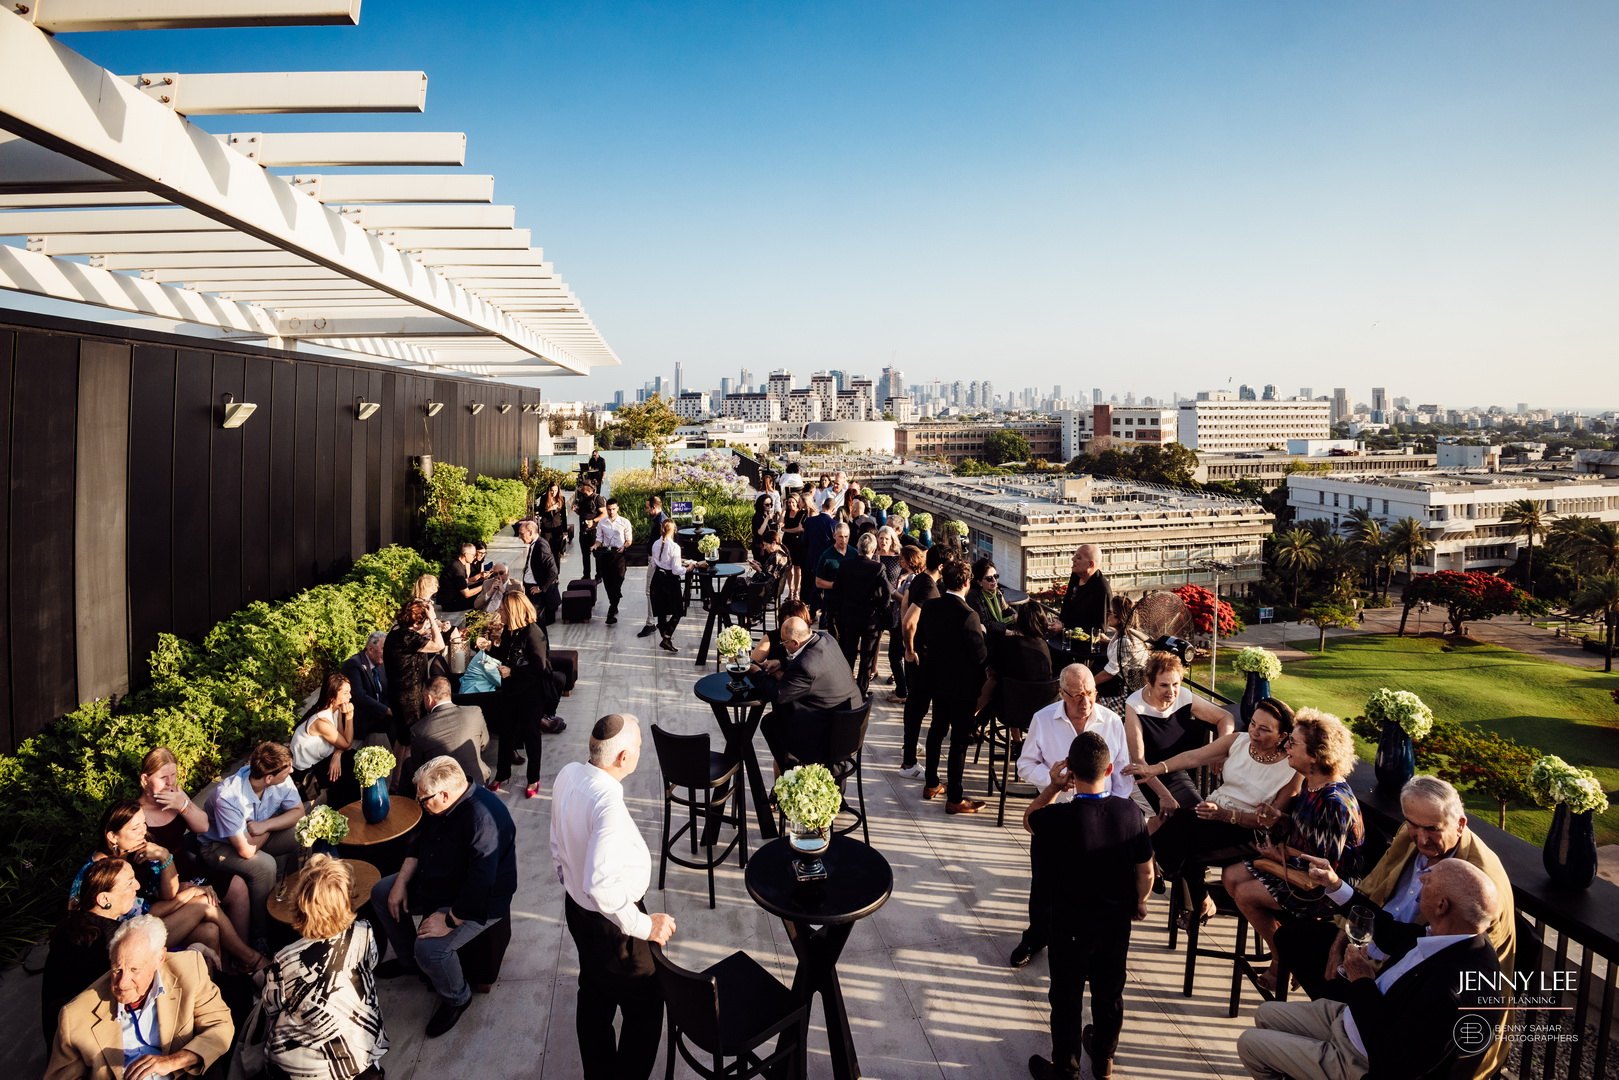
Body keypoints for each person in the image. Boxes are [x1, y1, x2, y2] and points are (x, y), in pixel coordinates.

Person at [1276, 775, 1516, 1080]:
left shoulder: (1479, 882)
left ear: (1460, 824)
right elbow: (1372, 890)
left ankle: (1352, 1048)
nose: (1421, 837)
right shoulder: (1410, 834)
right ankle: (1341, 1034)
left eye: (1432, 829)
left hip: (1415, 975)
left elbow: (1450, 966)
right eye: (1413, 824)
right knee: (1294, 938)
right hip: (1379, 942)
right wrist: (1339, 940)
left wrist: (1366, 982)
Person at [1236, 860, 1504, 1080]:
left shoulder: (1450, 988)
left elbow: (1393, 1061)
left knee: (1249, 1044)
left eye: (1429, 880)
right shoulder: (1453, 936)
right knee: (1266, 1013)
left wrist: (1362, 981)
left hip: (1360, 1059)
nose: (1421, 880)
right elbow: (1385, 928)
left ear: (1441, 906)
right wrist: (1335, 885)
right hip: (1350, 1019)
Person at [550, 715, 677, 1080]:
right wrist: (644, 926)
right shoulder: (608, 805)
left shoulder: (569, 773)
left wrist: (572, 884)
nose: (640, 751)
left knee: (594, 991)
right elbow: (601, 884)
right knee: (647, 1004)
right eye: (637, 746)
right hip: (613, 928)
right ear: (622, 758)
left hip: (579, 911)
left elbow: (557, 845)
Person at [1024, 732, 1154, 1080]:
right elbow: (1146, 870)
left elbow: (1029, 819)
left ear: (1070, 772)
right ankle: (1104, 1057)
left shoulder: (1059, 818)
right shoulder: (1131, 813)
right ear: (1109, 768)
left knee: (1066, 998)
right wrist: (1139, 902)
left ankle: (1065, 1069)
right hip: (1114, 925)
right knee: (1109, 994)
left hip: (1069, 928)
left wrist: (1052, 788)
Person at [372, 756, 517, 1038]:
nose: (419, 802)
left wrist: (449, 920)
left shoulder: (483, 820)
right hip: (438, 877)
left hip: (478, 900)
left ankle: (457, 997)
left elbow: (481, 883)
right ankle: (407, 962)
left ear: (445, 794)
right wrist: (401, 882)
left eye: (422, 798)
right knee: (381, 891)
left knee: (430, 949)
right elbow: (420, 842)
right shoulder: (440, 806)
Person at [1222, 708, 1365, 992]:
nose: (1286, 746)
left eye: (1293, 743)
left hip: (1324, 890)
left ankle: (1283, 960)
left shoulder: (1334, 801)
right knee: (1231, 875)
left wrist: (1283, 854)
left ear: (1314, 756)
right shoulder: (1312, 786)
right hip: (1296, 867)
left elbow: (1325, 866)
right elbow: (1303, 831)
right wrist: (1281, 820)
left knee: (1246, 893)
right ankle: (1286, 954)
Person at [1126, 698, 1302, 928]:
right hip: (1211, 815)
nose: (1253, 732)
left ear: (1282, 736)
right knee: (1180, 832)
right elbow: (1194, 756)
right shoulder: (1238, 741)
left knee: (1176, 836)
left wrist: (1226, 815)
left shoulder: (1291, 769)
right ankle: (1195, 897)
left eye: (1264, 729)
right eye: (1252, 724)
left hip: (1249, 831)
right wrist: (1154, 769)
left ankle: (1177, 887)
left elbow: (1270, 821)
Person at [1010, 664, 1134, 968]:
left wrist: (1113, 810)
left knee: (1094, 883)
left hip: (1098, 813)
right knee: (1043, 882)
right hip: (1056, 809)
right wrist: (1053, 779)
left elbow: (1122, 772)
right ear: (1062, 693)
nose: (1086, 702)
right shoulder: (1043, 719)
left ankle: (1088, 945)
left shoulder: (1111, 721)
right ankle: (1037, 936)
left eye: (1090, 693)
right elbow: (1024, 766)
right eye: (1077, 695)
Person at [73, 799, 268, 980]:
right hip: (124, 945)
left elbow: (166, 894)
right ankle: (251, 960)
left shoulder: (138, 852)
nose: (143, 831)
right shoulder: (97, 875)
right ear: (112, 837)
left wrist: (165, 857)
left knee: (209, 931)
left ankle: (224, 983)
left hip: (146, 925)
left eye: (143, 823)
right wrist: (187, 896)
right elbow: (135, 918)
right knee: (203, 904)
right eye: (135, 828)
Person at [45, 915, 234, 1080]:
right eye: (117, 970)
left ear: (159, 959)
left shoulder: (189, 970)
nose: (122, 983)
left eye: (135, 970)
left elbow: (220, 1026)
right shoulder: (75, 1015)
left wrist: (173, 1061)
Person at [261, 855, 388, 1080]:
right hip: (363, 1046)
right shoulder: (364, 931)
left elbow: (271, 1007)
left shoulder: (284, 958)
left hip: (312, 1068)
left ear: (300, 904)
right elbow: (372, 963)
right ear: (347, 900)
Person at [137, 747, 250, 943]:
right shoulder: (137, 815)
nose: (171, 782)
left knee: (238, 886)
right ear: (145, 779)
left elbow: (203, 825)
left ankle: (244, 950)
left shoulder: (176, 795)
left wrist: (183, 806)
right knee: (208, 908)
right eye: (164, 777)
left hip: (186, 863)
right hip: (161, 880)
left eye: (173, 775)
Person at [199, 741, 305, 947]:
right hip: (218, 846)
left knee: (301, 832)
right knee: (264, 866)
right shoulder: (228, 796)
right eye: (288, 769)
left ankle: (291, 902)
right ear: (268, 778)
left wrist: (265, 825)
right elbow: (246, 850)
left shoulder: (280, 779)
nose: (292, 770)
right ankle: (261, 934)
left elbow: (298, 811)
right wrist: (269, 825)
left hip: (256, 834)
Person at [1123, 651, 1235, 819]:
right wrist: (1164, 795)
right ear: (1149, 681)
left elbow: (1226, 717)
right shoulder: (1134, 705)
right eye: (1164, 685)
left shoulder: (1183, 696)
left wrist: (1221, 750)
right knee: (1171, 818)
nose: (1171, 691)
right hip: (1146, 776)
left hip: (1176, 771)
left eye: (1175, 684)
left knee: (1198, 815)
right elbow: (1139, 761)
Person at [41, 861, 141, 1044]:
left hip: (58, 1031)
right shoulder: (115, 937)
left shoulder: (72, 924)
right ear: (104, 899)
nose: (137, 886)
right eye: (129, 883)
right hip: (88, 1039)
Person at [919, 559, 990, 814]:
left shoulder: (930, 606)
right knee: (959, 740)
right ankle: (956, 798)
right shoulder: (969, 615)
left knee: (936, 730)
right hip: (961, 686)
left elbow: (921, 641)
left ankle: (931, 784)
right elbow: (980, 658)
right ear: (968, 583)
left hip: (936, 680)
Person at [758, 616, 861, 769]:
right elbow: (804, 657)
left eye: (784, 642)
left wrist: (756, 673)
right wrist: (782, 662)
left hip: (832, 736)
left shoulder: (805, 666)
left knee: (772, 722)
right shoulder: (826, 638)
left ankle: (791, 775)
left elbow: (778, 694)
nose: (783, 646)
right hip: (853, 726)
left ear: (795, 643)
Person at [490, 591, 564, 798]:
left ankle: (533, 778)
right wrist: (489, 647)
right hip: (511, 691)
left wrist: (513, 672)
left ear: (512, 610)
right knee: (506, 734)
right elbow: (505, 654)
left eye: (502, 608)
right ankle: (502, 773)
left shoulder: (533, 632)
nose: (499, 611)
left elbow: (539, 667)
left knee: (531, 735)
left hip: (531, 693)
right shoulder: (509, 630)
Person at [897, 545, 948, 777]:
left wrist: (908, 643)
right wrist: (910, 648)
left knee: (914, 707)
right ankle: (908, 763)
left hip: (917, 655)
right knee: (918, 708)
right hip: (921, 658)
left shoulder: (918, 579)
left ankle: (909, 750)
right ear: (941, 566)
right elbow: (909, 621)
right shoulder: (929, 587)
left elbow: (904, 603)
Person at [383, 597, 446, 749]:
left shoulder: (398, 631)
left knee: (403, 741)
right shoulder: (407, 637)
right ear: (418, 621)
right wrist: (432, 620)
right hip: (410, 699)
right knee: (411, 743)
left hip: (400, 694)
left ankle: (398, 773)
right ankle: (407, 772)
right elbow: (439, 645)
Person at [832, 531, 889, 694]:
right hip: (870, 617)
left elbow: (837, 589)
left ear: (858, 548)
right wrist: (880, 608)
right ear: (873, 550)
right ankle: (862, 690)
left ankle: (846, 687)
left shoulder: (845, 565)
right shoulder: (878, 567)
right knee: (867, 656)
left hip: (850, 615)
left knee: (849, 652)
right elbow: (887, 592)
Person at [289, 672, 358, 805]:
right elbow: (347, 744)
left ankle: (347, 807)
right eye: (345, 693)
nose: (349, 696)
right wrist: (350, 715)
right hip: (305, 779)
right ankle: (346, 809)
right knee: (351, 761)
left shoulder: (335, 710)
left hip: (318, 764)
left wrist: (337, 754)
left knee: (349, 759)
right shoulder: (321, 721)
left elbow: (342, 741)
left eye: (349, 692)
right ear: (332, 696)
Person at [410, 675, 491, 786]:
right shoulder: (475, 711)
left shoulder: (418, 729)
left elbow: (418, 766)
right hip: (478, 780)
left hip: (444, 787)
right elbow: (485, 745)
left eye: (423, 697)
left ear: (429, 698)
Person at [982, 600, 1054, 713]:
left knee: (992, 679)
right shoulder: (1043, 645)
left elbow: (992, 672)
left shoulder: (1008, 645)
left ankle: (972, 717)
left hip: (1010, 708)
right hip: (1039, 707)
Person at [1094, 594, 1149, 715]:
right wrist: (1109, 641)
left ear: (1119, 617)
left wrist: (1087, 684)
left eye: (1110, 612)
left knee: (1087, 705)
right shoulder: (1126, 633)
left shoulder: (1125, 641)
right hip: (1121, 683)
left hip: (1125, 692)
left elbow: (1108, 674)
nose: (1107, 616)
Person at [880, 538, 918, 704]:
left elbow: (907, 601)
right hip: (900, 622)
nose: (899, 561)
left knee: (895, 657)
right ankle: (905, 688)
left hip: (901, 623)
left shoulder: (911, 579)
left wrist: (894, 591)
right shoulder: (910, 577)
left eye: (902, 559)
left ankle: (902, 691)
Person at [648, 518, 693, 653]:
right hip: (670, 580)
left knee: (661, 609)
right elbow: (676, 570)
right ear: (674, 530)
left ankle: (664, 636)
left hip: (657, 578)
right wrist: (688, 568)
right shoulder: (675, 547)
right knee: (678, 610)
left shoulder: (656, 544)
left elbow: (654, 564)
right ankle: (667, 637)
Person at [341, 632, 392, 745]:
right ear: (370, 649)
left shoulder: (381, 663)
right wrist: (387, 710)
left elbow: (387, 689)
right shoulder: (354, 665)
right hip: (360, 725)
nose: (387, 652)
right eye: (384, 648)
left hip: (379, 722)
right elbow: (360, 697)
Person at [1057, 543, 1111, 638]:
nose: (1073, 559)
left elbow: (1099, 630)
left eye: (1078, 558)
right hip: (1065, 638)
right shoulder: (1076, 576)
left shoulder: (1101, 590)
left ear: (1091, 564)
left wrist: (1065, 627)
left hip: (1082, 646)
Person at [592, 497, 632, 624]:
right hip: (606, 554)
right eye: (609, 510)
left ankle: (611, 609)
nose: (611, 512)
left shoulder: (625, 522)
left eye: (613, 509)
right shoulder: (602, 523)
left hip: (619, 555)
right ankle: (613, 605)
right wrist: (595, 546)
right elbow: (599, 539)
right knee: (608, 583)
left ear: (618, 508)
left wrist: (624, 546)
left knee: (618, 581)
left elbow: (629, 540)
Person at [516, 517, 562, 625]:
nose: (519, 537)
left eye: (521, 533)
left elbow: (553, 571)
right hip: (531, 589)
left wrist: (540, 588)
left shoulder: (541, 546)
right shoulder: (535, 545)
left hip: (537, 593)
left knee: (536, 622)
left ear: (530, 532)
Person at [638, 496, 673, 637]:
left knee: (649, 590)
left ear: (654, 507)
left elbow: (662, 545)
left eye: (648, 507)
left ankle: (650, 623)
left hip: (656, 561)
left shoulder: (660, 522)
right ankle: (660, 620)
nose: (646, 510)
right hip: (659, 560)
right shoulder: (662, 519)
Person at [802, 495, 838, 624]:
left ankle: (811, 615)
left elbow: (804, 541)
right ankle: (824, 618)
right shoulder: (834, 524)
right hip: (828, 561)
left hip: (813, 559)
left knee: (814, 588)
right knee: (826, 590)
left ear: (822, 507)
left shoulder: (810, 521)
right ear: (833, 510)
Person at [813, 522, 852, 632]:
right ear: (834, 536)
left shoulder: (854, 553)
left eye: (846, 537)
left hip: (850, 601)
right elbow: (818, 582)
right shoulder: (826, 556)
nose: (843, 540)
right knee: (834, 633)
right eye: (840, 536)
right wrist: (835, 585)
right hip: (833, 601)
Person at [436, 543, 485, 627]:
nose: (474, 557)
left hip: (453, 598)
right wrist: (484, 586)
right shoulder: (457, 568)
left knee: (482, 585)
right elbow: (467, 594)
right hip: (450, 604)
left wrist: (483, 582)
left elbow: (465, 582)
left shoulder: (457, 563)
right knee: (483, 596)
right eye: (473, 555)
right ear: (466, 555)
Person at [967, 557, 1017, 637]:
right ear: (979, 581)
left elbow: (1006, 609)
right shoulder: (974, 596)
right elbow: (985, 622)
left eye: (996, 576)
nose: (994, 580)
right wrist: (1007, 631)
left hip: (999, 632)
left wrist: (1015, 616)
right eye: (989, 578)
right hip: (987, 637)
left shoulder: (997, 592)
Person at [573, 480, 606, 579]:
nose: (581, 490)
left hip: (593, 530)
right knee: (585, 554)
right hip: (583, 530)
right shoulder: (582, 498)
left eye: (582, 488)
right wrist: (576, 511)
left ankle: (599, 575)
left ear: (587, 489)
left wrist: (593, 520)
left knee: (597, 553)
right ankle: (586, 575)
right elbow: (583, 513)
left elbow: (604, 514)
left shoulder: (597, 498)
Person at [780, 491, 809, 601]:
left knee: (797, 567)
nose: (790, 505)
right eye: (788, 503)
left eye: (793, 502)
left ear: (797, 502)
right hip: (787, 541)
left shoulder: (802, 513)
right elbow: (780, 523)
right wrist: (783, 510)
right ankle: (790, 590)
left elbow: (799, 529)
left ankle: (796, 591)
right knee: (788, 567)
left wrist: (786, 530)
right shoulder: (787, 512)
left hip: (797, 542)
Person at [539, 481, 569, 560]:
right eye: (552, 490)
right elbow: (540, 513)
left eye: (556, 490)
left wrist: (565, 530)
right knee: (546, 548)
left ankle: (556, 570)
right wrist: (549, 509)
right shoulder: (544, 498)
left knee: (556, 551)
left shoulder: (561, 499)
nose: (554, 493)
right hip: (546, 526)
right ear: (549, 490)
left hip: (557, 526)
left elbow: (563, 516)